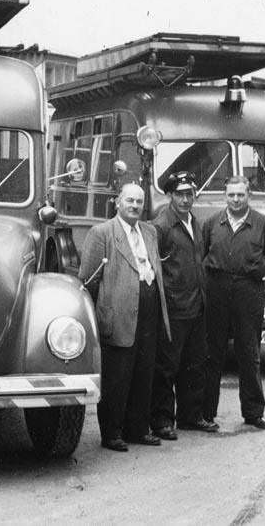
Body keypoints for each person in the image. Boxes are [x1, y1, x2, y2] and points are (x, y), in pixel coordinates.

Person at [80, 182, 171, 452]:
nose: (134, 206)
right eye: (129, 200)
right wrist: (101, 313)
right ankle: (112, 433)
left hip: (149, 310)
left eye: (139, 202)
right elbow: (88, 279)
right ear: (117, 202)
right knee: (117, 376)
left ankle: (138, 429)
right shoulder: (101, 233)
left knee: (144, 372)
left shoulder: (150, 231)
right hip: (117, 313)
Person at [202, 176, 265, 430]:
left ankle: (253, 413)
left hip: (248, 291)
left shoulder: (262, 224)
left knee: (249, 353)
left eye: (240, 195)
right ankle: (206, 413)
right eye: (231, 195)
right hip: (217, 291)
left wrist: (257, 272)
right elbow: (200, 257)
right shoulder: (211, 224)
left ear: (249, 196)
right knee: (212, 354)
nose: (236, 200)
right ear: (224, 196)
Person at [150, 171, 219, 440]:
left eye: (190, 194)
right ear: (170, 196)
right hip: (174, 309)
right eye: (180, 194)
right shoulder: (162, 226)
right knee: (167, 367)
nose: (185, 199)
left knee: (194, 365)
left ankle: (191, 416)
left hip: (197, 307)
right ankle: (162, 421)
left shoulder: (196, 223)